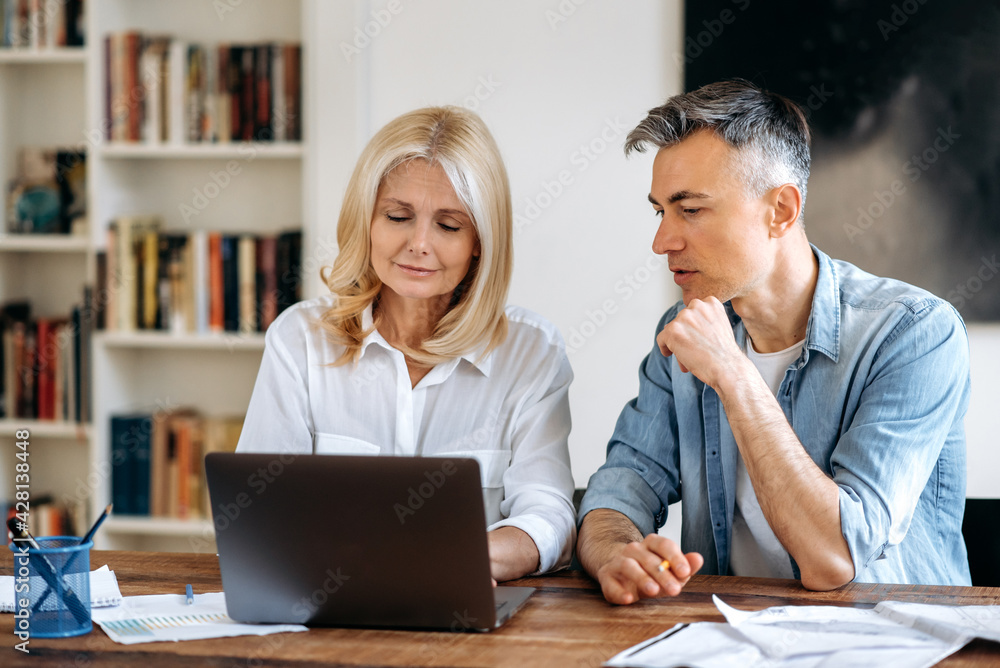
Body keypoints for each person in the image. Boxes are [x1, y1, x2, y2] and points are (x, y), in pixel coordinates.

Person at [576, 80, 971, 604]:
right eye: (660, 211)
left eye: (690, 210)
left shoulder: (915, 332)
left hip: (892, 642)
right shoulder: (687, 328)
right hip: (730, 638)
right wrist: (617, 552)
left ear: (781, 210)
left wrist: (733, 373)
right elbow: (620, 485)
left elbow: (835, 559)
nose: (662, 241)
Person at [237, 106, 576, 581]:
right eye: (398, 216)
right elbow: (258, 515)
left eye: (449, 226)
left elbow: (550, 520)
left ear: (480, 239)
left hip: (468, 621)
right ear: (367, 221)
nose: (419, 244)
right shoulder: (299, 341)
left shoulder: (531, 354)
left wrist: (446, 559)